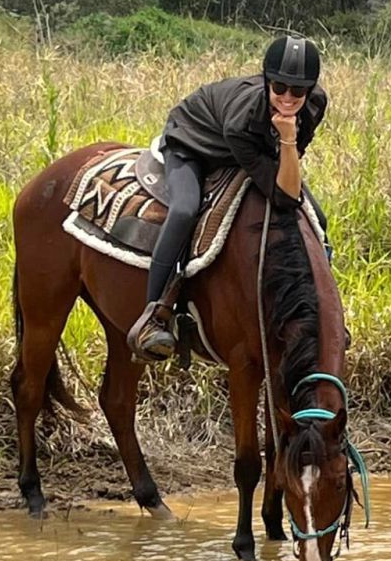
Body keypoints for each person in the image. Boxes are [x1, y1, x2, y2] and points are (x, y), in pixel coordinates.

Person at [127, 35, 328, 361]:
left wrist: (289, 139)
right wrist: (287, 142)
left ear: (310, 90)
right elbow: (282, 195)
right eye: (279, 88)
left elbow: (289, 173)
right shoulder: (242, 120)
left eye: (298, 91)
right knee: (183, 210)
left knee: (317, 218)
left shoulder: (315, 105)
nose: (288, 98)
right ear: (267, 81)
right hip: (193, 139)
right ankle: (153, 315)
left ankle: (322, 310)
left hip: (250, 148)